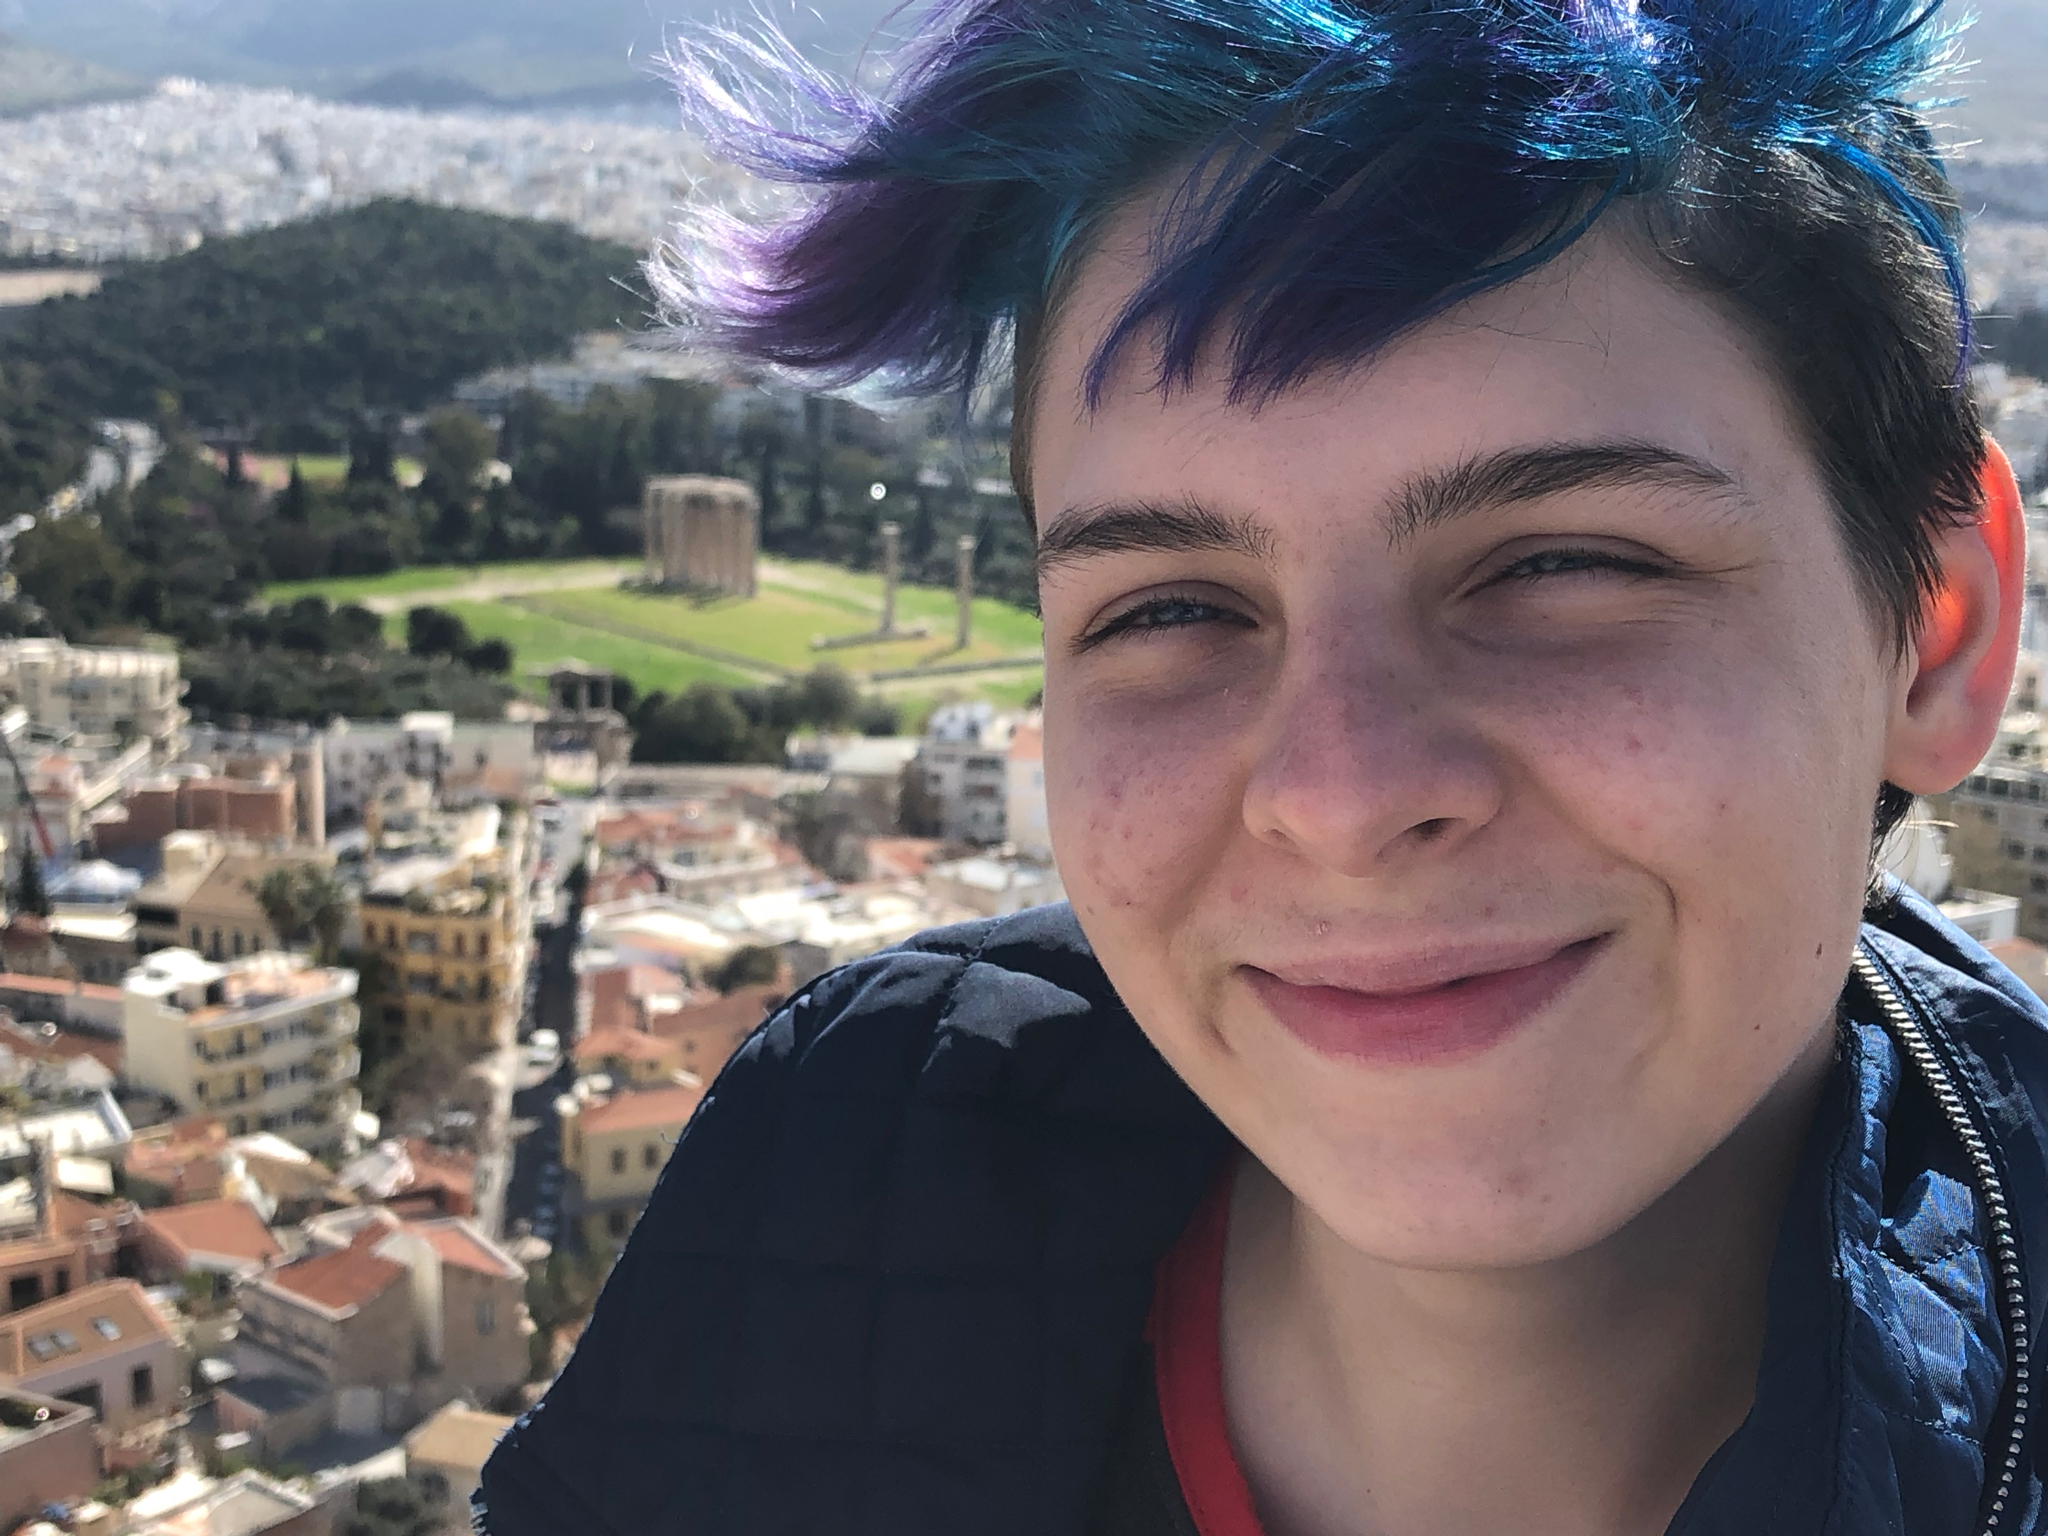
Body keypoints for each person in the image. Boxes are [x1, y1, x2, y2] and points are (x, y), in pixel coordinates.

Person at [478, 1, 2048, 1531]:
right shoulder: (839, 1174)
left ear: (1940, 626)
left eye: (1561, 565)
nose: (1342, 797)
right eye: (1171, 605)